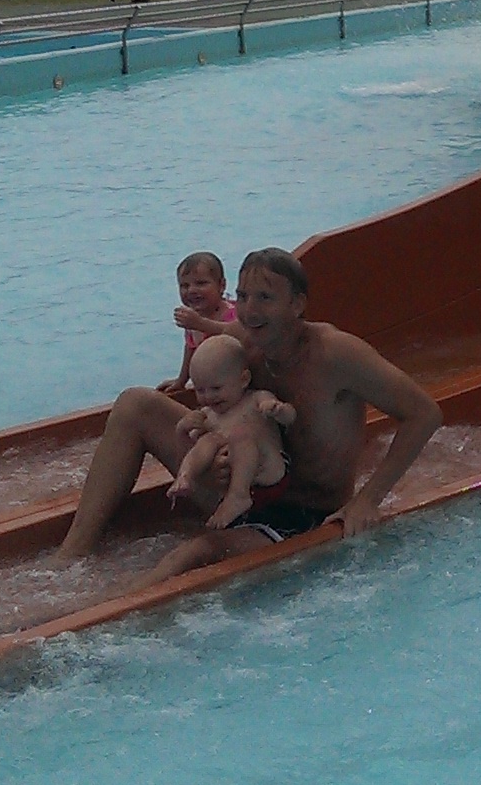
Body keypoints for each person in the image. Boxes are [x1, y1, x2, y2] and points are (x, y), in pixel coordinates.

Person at [59, 246, 442, 562]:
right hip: (243, 489)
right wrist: (208, 464)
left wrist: (367, 500)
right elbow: (214, 406)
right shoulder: (244, 340)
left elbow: (424, 414)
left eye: (264, 298)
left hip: (305, 513)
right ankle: (71, 556)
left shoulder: (336, 354)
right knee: (135, 404)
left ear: (297, 304)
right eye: (242, 297)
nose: (249, 310)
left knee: (191, 555)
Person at [161, 336, 297, 574]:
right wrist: (183, 430)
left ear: (243, 379)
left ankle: (238, 496)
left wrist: (278, 410)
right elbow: (192, 447)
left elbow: (291, 418)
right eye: (200, 390)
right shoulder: (209, 414)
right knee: (207, 441)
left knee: (240, 434)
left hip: (269, 476)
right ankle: (185, 478)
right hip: (241, 484)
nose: (208, 397)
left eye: (216, 389)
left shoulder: (256, 398)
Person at [167, 248, 238, 387]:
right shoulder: (192, 319)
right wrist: (181, 380)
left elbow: (238, 333)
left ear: (221, 286)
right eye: (184, 286)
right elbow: (190, 348)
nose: (191, 290)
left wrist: (200, 324)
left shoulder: (233, 313)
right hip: (212, 384)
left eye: (201, 283)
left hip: (239, 380)